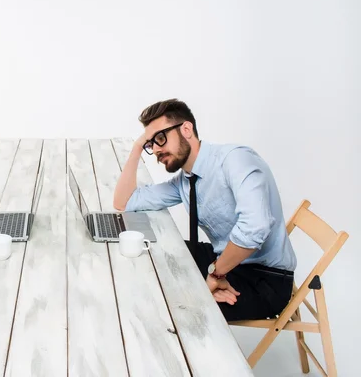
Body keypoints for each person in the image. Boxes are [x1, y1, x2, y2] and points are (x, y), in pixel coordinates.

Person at [113, 99, 296, 321]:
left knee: (172, 304)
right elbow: (125, 203)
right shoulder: (184, 181)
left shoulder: (234, 160)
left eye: (160, 138)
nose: (157, 150)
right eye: (151, 145)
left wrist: (215, 274)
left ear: (186, 129)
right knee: (151, 254)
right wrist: (136, 148)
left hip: (264, 279)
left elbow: (255, 227)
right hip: (225, 262)